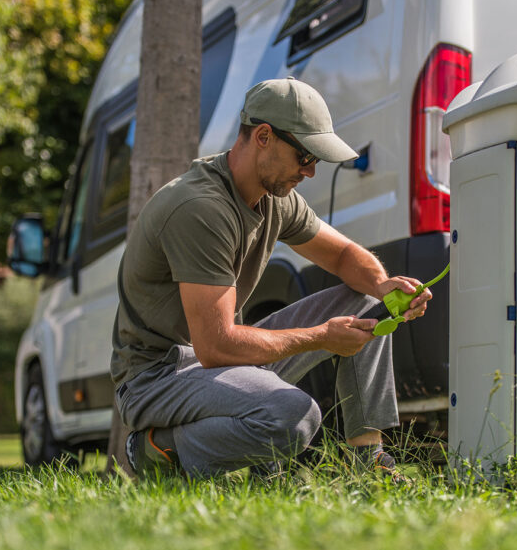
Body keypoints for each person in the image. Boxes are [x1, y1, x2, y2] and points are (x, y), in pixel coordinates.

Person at [110, 77, 432, 479]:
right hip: (157, 377)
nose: (311, 172)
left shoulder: (275, 199)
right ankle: (156, 450)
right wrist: (322, 337)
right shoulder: (200, 208)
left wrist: (383, 285)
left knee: (366, 300)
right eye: (305, 156)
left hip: (214, 365)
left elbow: (345, 254)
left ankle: (368, 467)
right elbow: (215, 346)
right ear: (264, 136)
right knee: (295, 415)